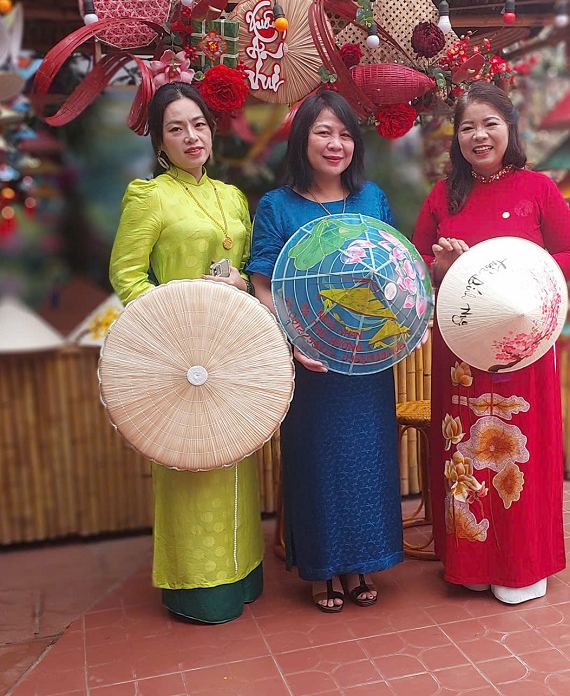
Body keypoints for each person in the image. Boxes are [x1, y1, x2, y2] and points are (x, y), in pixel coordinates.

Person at [412, 81, 570, 605]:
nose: (479, 135)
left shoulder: (538, 188)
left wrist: (518, 272)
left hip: (522, 346)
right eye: (467, 127)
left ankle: (521, 564)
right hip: (462, 347)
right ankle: (470, 562)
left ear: (509, 129)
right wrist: (442, 266)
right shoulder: (442, 196)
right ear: (457, 138)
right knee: (463, 453)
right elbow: (416, 266)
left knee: (521, 452)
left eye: (489, 123)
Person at [109, 81, 264, 624]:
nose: (191, 137)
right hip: (181, 360)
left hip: (231, 354)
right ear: (160, 141)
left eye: (198, 124)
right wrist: (171, 322)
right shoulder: (149, 196)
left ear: (211, 130)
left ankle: (244, 573)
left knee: (237, 456)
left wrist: (241, 284)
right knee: (192, 464)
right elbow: (127, 276)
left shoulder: (231, 196)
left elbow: (248, 268)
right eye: (176, 128)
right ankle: (198, 588)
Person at [247, 89, 403, 612]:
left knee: (368, 459)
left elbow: (394, 269)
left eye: (345, 135)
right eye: (323, 133)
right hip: (310, 359)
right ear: (302, 140)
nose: (336, 144)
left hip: (367, 355)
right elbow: (263, 281)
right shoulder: (278, 206)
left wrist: (404, 323)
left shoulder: (371, 199)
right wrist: (292, 339)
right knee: (318, 461)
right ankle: (322, 568)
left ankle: (362, 562)